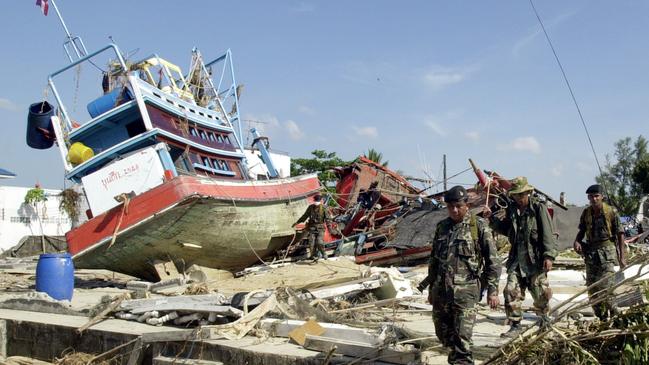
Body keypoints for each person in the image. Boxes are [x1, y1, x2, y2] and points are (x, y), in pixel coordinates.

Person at [428, 185, 501, 365]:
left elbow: (493, 262)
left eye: (458, 206)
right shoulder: (442, 227)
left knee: (462, 340)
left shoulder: (479, 227)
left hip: (465, 295)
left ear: (466, 205)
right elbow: (434, 261)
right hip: (442, 293)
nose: (454, 210)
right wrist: (431, 289)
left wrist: (493, 291)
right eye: (450, 206)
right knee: (445, 335)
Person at [485, 176, 557, 337]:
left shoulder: (538, 209)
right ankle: (515, 324)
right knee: (511, 290)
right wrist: (491, 218)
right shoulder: (512, 210)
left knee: (541, 294)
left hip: (534, 260)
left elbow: (548, 234)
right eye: (516, 195)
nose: (518, 198)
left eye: (521, 194)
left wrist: (549, 256)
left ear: (528, 193)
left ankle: (545, 322)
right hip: (517, 260)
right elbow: (506, 229)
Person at [573, 184, 626, 321]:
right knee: (592, 290)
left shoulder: (610, 212)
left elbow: (620, 234)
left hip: (607, 254)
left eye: (596, 196)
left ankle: (616, 317)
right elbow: (582, 230)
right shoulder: (586, 213)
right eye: (591, 196)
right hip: (591, 254)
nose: (594, 199)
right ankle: (602, 318)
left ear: (602, 197)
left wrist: (622, 257)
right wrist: (577, 241)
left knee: (606, 287)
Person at [293, 193, 331, 261]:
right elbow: (305, 216)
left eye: (318, 201)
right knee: (311, 243)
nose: (316, 202)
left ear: (321, 200)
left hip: (320, 228)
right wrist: (297, 222)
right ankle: (313, 256)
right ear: (314, 200)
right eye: (316, 201)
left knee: (319, 242)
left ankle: (323, 253)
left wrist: (330, 228)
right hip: (312, 228)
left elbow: (328, 219)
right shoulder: (310, 207)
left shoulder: (324, 208)